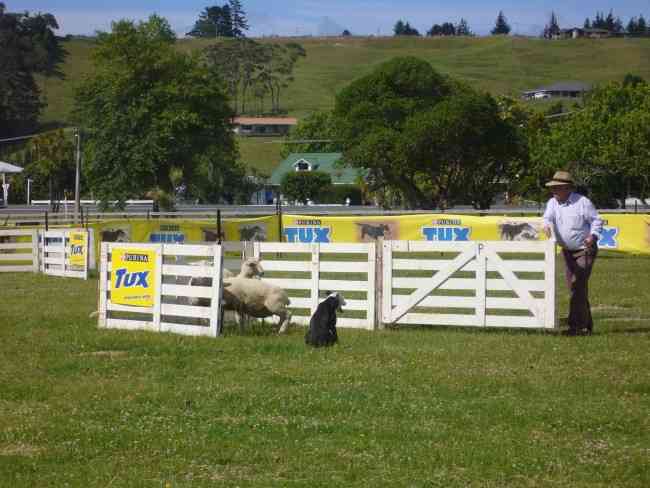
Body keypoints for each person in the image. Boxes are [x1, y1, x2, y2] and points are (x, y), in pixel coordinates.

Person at [542, 170, 603, 336]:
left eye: (557, 188)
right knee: (576, 288)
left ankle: (576, 327)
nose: (553, 191)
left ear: (568, 188)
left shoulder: (583, 202)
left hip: (585, 250)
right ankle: (586, 326)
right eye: (552, 188)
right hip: (567, 252)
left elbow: (596, 221)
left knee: (577, 286)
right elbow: (547, 218)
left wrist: (593, 236)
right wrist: (546, 225)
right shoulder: (552, 203)